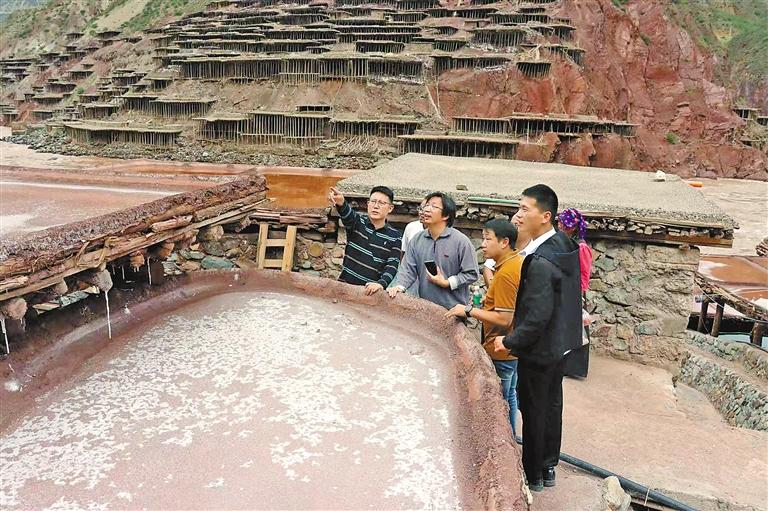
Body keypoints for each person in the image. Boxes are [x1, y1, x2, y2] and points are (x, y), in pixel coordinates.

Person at [493, 184, 582, 492]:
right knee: (551, 406)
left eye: (524, 209)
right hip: (560, 343)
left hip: (541, 348)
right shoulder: (563, 244)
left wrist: (509, 341)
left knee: (533, 410)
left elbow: (536, 317)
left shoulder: (542, 262)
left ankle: (532, 476)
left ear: (545, 216)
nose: (518, 216)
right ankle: (547, 466)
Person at [445, 219, 523, 437]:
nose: (483, 244)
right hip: (512, 349)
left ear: (504, 242)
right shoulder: (514, 262)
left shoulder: (506, 273)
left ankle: (502, 442)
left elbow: (504, 319)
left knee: (499, 401)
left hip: (501, 349)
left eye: (488, 239)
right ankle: (511, 438)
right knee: (509, 396)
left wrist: (469, 311)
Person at [388, 192, 479, 309]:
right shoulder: (417, 240)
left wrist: (447, 282)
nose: (427, 209)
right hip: (426, 308)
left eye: (434, 206)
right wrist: (399, 286)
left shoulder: (461, 241)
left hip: (454, 310)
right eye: (426, 205)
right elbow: (407, 269)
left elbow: (471, 273)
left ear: (446, 215)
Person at [329, 185, 402, 295]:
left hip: (370, 293)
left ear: (390, 208)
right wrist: (341, 202)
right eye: (373, 201)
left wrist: (381, 284)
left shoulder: (395, 236)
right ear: (368, 203)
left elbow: (392, 265)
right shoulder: (358, 223)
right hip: (345, 287)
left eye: (381, 203)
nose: (376, 206)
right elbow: (347, 213)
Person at [558, 208, 593, 379]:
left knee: (576, 328)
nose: (559, 226)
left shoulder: (581, 247)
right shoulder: (566, 242)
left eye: (563, 224)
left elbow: (584, 272)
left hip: (575, 291)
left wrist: (578, 293)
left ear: (572, 227)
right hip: (566, 288)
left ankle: (574, 367)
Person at [399, 199, 427, 295]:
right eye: (420, 208)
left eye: (426, 209)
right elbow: (403, 252)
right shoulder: (411, 227)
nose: (421, 212)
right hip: (411, 276)